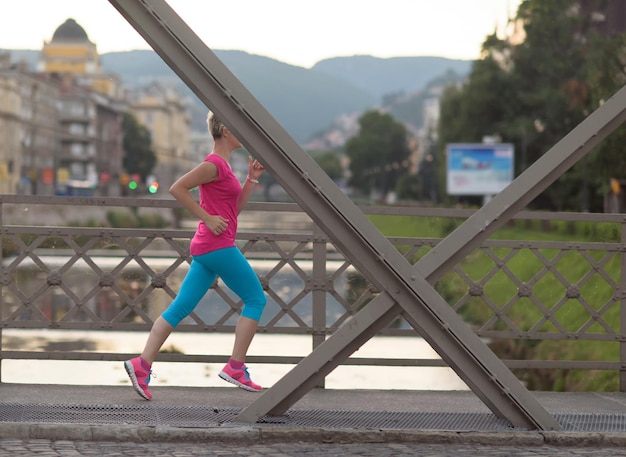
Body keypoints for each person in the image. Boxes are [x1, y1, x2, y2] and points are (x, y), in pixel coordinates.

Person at [124, 112, 267, 400]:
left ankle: (141, 365)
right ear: (225, 131)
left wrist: (251, 179)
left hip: (207, 246)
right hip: (217, 245)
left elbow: (233, 211)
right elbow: (177, 188)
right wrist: (207, 217)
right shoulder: (213, 163)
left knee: (179, 308)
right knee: (256, 299)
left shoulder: (224, 166)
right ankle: (236, 367)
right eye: (237, 128)